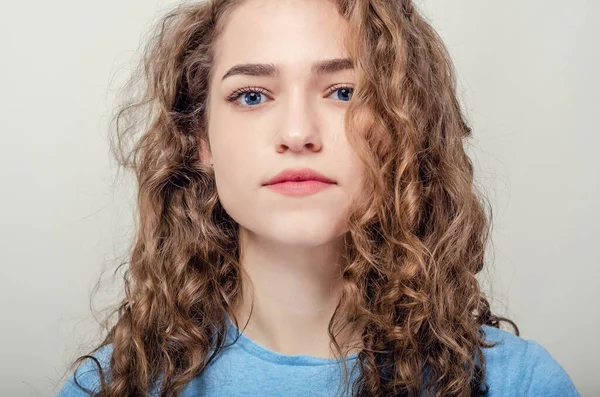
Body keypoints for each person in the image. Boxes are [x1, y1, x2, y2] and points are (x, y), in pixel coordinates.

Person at [57, 0, 580, 396]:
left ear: (402, 127)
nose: (298, 132)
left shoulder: (520, 383)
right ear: (200, 140)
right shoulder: (112, 385)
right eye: (252, 95)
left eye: (344, 92)